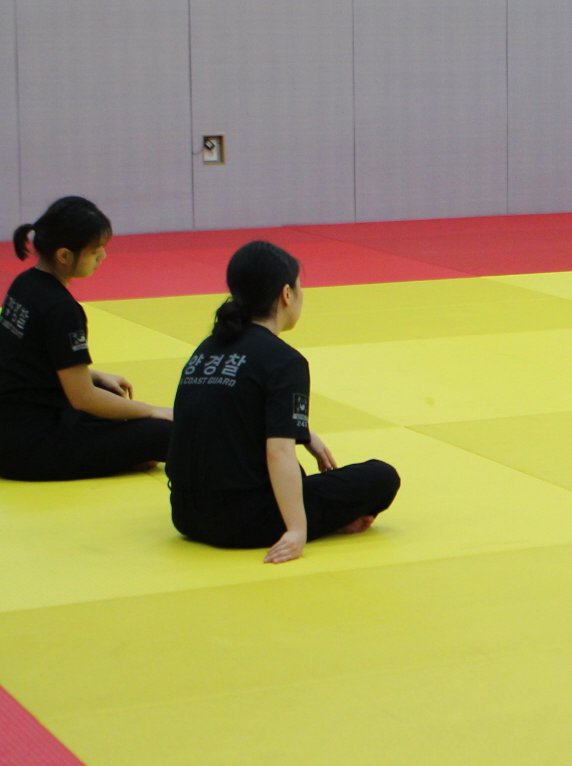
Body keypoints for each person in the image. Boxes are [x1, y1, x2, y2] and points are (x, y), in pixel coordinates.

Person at [166, 241, 400, 564]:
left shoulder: (208, 348)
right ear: (286, 294)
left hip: (186, 516)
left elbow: (228, 415)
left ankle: (321, 518)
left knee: (294, 474)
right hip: (243, 523)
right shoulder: (285, 360)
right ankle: (319, 522)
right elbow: (278, 452)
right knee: (381, 477)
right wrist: (296, 530)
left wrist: (303, 432)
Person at [0, 196, 173, 481]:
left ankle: (126, 452)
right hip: (30, 450)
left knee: (115, 401)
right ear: (64, 255)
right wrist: (153, 411)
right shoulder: (61, 308)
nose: (102, 257)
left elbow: (29, 360)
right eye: (94, 251)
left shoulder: (25, 283)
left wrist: (95, 375)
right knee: (166, 432)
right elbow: (83, 398)